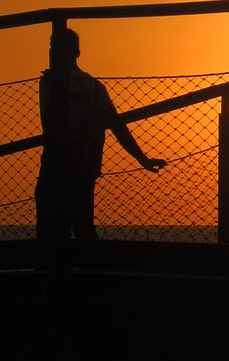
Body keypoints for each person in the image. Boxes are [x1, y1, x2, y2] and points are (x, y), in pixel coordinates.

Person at [34, 26, 166, 240]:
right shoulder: (92, 87)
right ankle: (89, 265)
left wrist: (142, 159)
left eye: (57, 48)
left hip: (60, 162)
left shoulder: (51, 82)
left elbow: (51, 122)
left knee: (53, 226)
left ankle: (61, 269)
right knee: (80, 222)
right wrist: (142, 158)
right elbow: (117, 125)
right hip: (83, 163)